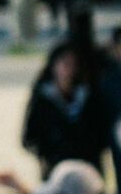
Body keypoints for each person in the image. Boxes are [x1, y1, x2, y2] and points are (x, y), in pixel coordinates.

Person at [23, 44, 107, 180]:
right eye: (64, 63)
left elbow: (101, 130)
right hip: (56, 167)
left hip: (87, 167)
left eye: (73, 64)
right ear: (53, 65)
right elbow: (29, 136)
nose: (69, 69)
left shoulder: (87, 95)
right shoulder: (43, 98)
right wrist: (45, 155)